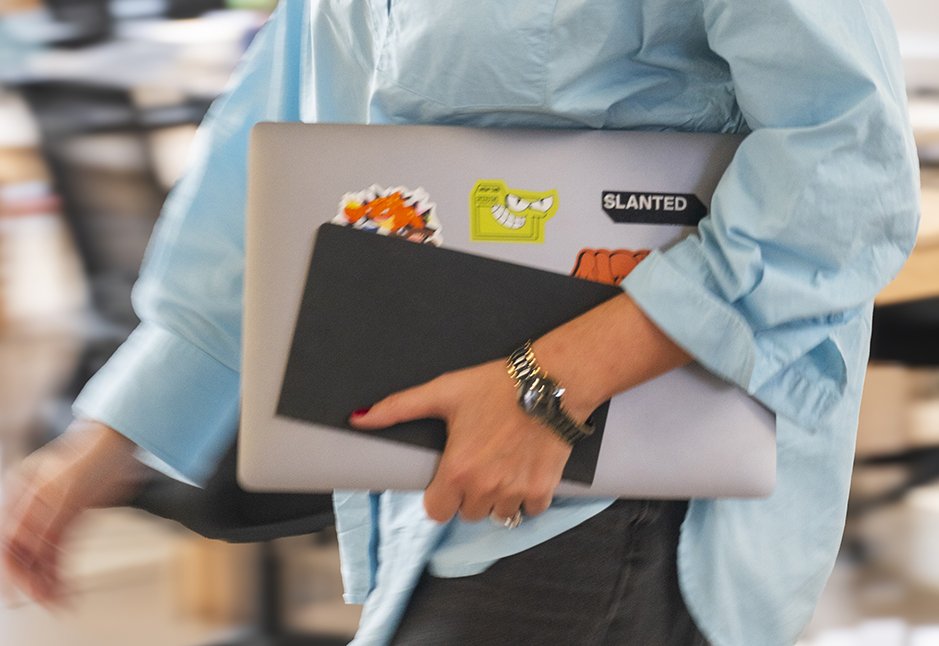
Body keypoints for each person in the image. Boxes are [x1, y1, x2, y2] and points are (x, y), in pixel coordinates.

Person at [1, 1, 921, 644]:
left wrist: (545, 390)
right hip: (427, 484)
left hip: (611, 483)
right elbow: (273, 155)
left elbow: (842, 171)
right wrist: (114, 434)